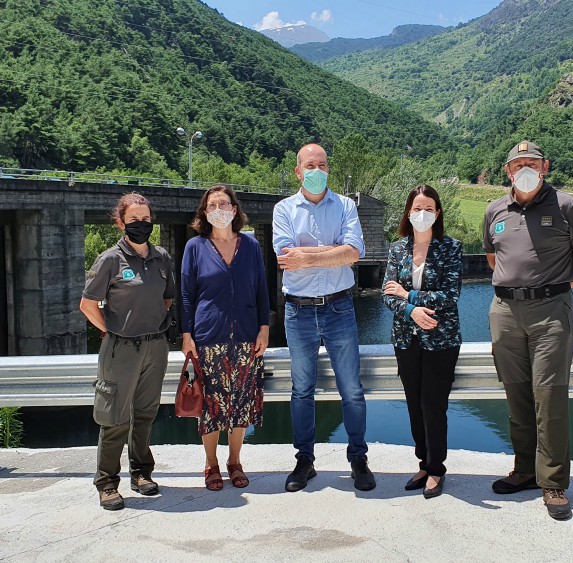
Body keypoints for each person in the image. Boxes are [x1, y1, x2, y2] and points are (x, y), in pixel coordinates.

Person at [482, 141, 573, 520]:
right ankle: (524, 470)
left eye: (532, 162)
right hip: (505, 311)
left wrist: (556, 290)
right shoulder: (494, 210)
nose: (525, 168)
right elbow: (492, 257)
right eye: (518, 164)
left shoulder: (567, 206)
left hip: (550, 312)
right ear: (508, 171)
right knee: (517, 397)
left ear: (545, 166)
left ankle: (553, 482)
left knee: (549, 398)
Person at [272, 143, 375, 492]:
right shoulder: (283, 209)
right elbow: (286, 256)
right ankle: (304, 461)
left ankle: (358, 459)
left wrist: (310, 255)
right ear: (298, 171)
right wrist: (333, 252)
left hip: (339, 307)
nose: (317, 170)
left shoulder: (345, 205)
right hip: (297, 311)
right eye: (310, 165)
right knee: (301, 390)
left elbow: (354, 253)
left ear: (328, 169)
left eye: (322, 164)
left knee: (352, 390)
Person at [80, 193, 177, 511]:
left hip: (155, 346)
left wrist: (153, 322)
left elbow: (167, 298)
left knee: (145, 414)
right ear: (121, 222)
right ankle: (107, 483)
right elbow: (88, 305)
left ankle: (141, 474)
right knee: (115, 418)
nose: (142, 225)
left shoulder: (161, 257)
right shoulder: (110, 259)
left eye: (146, 220)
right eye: (135, 220)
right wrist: (110, 330)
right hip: (121, 348)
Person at [180, 185, 270, 491]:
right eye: (212, 205)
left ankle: (234, 461)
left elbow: (261, 289)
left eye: (224, 203)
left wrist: (264, 327)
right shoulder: (195, 247)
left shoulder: (251, 246)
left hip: (246, 336)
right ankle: (211, 463)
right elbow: (186, 295)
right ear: (205, 213)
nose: (219, 209)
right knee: (211, 406)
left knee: (241, 403)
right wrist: (187, 333)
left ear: (235, 209)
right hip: (208, 337)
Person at [382, 185, 462, 499]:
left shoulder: (451, 247)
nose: (422, 214)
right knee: (415, 405)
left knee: (433, 405)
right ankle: (423, 463)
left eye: (428, 208)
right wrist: (412, 310)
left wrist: (409, 294)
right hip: (405, 339)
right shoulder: (397, 248)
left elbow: (450, 295)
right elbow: (387, 295)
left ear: (438, 213)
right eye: (417, 208)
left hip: (441, 339)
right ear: (408, 212)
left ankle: (437, 469)